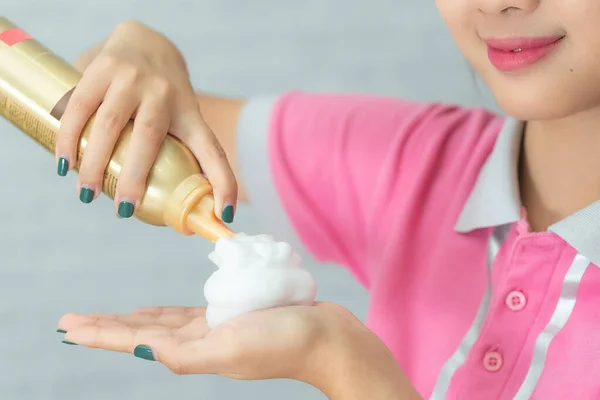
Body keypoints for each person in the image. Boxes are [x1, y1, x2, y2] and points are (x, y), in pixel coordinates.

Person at [55, 0, 600, 398]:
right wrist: (141, 57)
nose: (499, 2)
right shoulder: (417, 161)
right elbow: (92, 107)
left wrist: (344, 366)